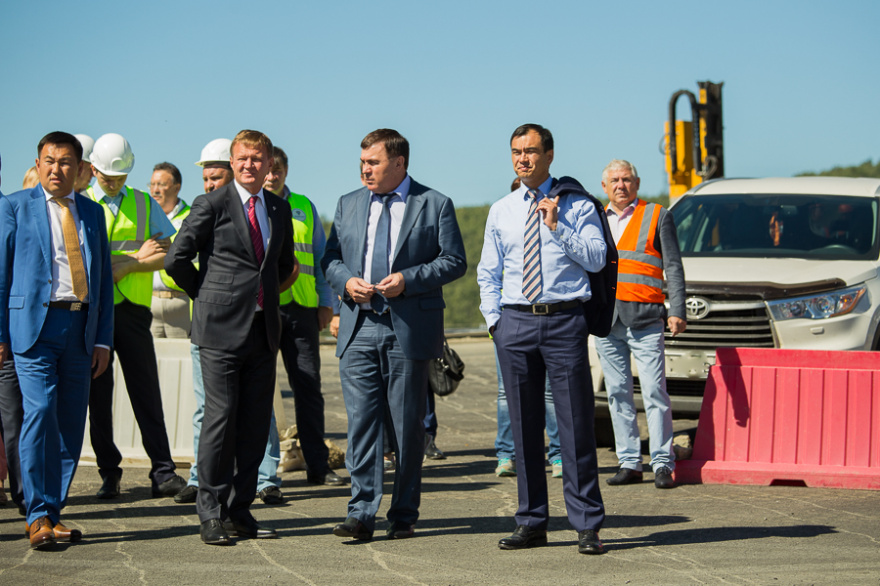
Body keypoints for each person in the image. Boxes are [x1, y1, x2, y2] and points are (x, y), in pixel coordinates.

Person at [323, 128, 466, 542]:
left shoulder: (434, 203)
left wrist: (408, 279)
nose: (364, 169)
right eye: (362, 162)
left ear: (399, 163)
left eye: (374, 162)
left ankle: (403, 513)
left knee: (406, 427)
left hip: (407, 328)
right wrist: (346, 281)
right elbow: (330, 258)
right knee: (362, 425)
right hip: (358, 326)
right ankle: (361, 512)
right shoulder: (348, 203)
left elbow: (454, 260)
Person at [477, 123, 609, 555]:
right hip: (515, 323)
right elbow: (488, 271)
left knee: (575, 426)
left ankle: (586, 524)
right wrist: (495, 322)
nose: (523, 159)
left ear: (549, 155)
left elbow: (597, 258)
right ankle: (531, 521)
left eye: (531, 151)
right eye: (517, 152)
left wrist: (557, 227)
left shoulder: (578, 204)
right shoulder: (502, 209)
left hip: (563, 321)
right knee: (523, 429)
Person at [166, 129, 296, 546]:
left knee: (255, 426)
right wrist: (207, 296)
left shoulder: (277, 208)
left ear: (269, 164)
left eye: (257, 159)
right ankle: (210, 512)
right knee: (219, 422)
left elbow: (284, 265)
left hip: (262, 331)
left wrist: (262, 298)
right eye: (242, 158)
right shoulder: (212, 203)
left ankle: (239, 511)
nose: (249, 165)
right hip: (219, 331)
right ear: (232, 162)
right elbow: (176, 259)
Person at [0, 131, 114, 548]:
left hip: (80, 328)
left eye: (65, 162)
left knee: (70, 421)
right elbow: (1, 277)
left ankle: (52, 511)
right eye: (49, 161)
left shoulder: (92, 212)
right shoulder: (14, 206)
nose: (56, 169)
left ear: (80, 169)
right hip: (34, 328)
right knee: (40, 411)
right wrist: (0, 335)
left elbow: (102, 281)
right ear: (38, 163)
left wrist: (103, 340)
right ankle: (35, 515)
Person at [85, 133, 186, 500]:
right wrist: (137, 256)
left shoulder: (144, 203)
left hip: (132, 311)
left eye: (120, 176)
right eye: (107, 176)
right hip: (93, 312)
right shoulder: (80, 202)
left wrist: (129, 265)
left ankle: (163, 472)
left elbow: (168, 253)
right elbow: (85, 259)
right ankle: (108, 472)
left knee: (146, 391)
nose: (113, 183)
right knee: (98, 395)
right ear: (93, 169)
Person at [595, 159, 686, 489]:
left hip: (646, 319)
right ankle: (629, 462)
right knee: (618, 393)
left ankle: (662, 462)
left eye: (626, 179)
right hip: (607, 321)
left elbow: (673, 266)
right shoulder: (595, 218)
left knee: (654, 392)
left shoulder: (657, 215)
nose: (621, 185)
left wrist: (677, 309)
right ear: (605, 186)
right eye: (615, 180)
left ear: (637, 182)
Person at [263, 147, 343, 486]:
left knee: (309, 388)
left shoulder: (304, 207)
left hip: (302, 310)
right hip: (262, 309)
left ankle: (318, 465)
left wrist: (328, 303)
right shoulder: (249, 205)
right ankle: (263, 473)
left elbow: (322, 258)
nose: (272, 176)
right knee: (259, 391)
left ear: (286, 171)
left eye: (277, 170)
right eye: (267, 169)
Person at [149, 162, 191, 338]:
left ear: (177, 187)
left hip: (180, 302)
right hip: (150, 302)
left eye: (161, 184)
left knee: (182, 354)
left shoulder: (191, 217)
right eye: (152, 184)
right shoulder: (145, 216)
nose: (155, 190)